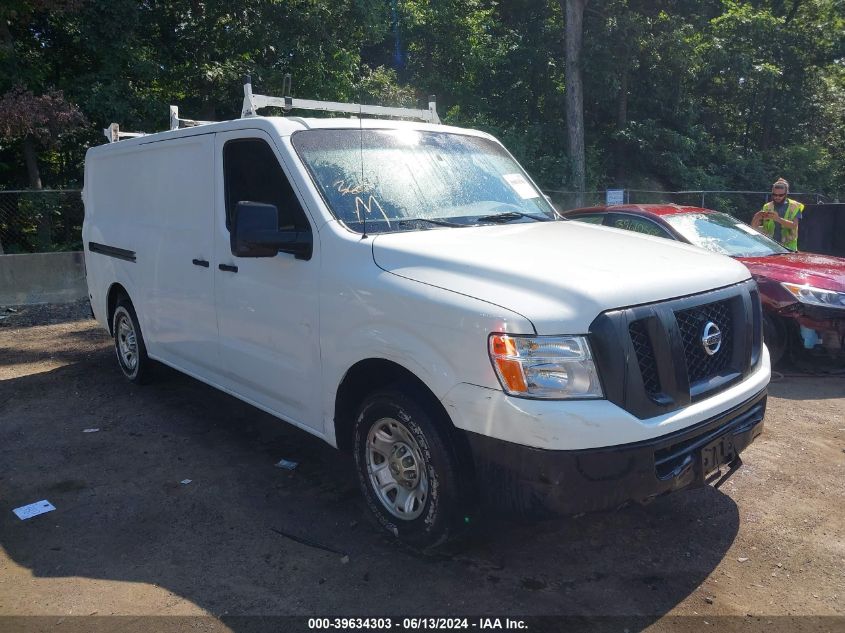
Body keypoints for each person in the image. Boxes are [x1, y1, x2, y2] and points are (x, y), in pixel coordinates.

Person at [751, 178, 804, 251]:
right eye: (774, 195)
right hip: (769, 246)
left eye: (780, 195)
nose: (777, 197)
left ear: (786, 194)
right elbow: (754, 227)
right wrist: (756, 217)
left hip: (788, 248)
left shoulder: (795, 206)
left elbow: (794, 225)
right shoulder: (767, 206)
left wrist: (778, 219)